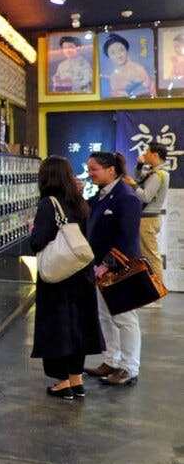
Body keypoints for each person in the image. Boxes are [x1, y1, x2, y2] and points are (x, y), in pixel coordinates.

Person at [29, 156, 104, 400]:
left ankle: (62, 383)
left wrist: (33, 232)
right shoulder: (78, 202)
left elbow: (38, 241)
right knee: (78, 326)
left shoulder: (48, 204)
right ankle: (76, 380)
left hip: (59, 276)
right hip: (81, 273)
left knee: (58, 327)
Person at [83, 151, 144, 386]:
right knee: (106, 316)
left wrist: (107, 264)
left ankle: (129, 367)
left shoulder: (126, 197)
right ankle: (111, 359)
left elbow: (127, 239)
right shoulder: (102, 195)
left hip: (120, 267)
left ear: (111, 170)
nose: (90, 173)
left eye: (94, 169)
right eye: (89, 169)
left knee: (124, 318)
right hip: (100, 268)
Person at [129, 142, 169, 307]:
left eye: (147, 152)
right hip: (147, 219)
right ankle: (150, 293)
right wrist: (139, 165)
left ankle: (156, 296)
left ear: (155, 155)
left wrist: (132, 185)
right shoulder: (154, 173)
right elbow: (139, 177)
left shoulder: (159, 174)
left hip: (148, 220)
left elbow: (145, 196)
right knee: (146, 256)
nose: (144, 154)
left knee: (152, 257)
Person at [102, 33, 154, 97]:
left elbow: (147, 91)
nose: (118, 55)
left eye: (121, 50)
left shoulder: (138, 69)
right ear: (108, 56)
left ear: (126, 50)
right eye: (113, 53)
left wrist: (130, 94)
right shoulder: (113, 75)